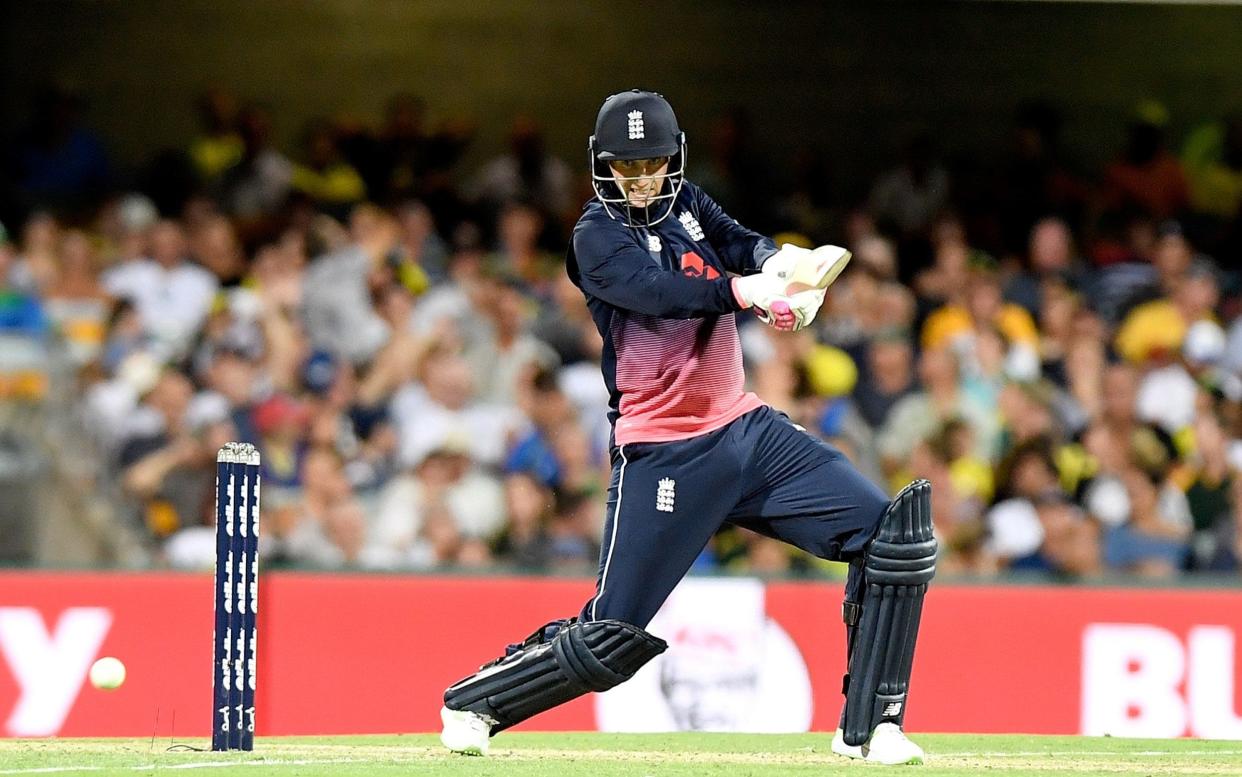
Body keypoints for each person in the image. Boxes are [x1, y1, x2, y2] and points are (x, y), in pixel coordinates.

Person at [438, 90, 935, 765]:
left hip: (745, 431)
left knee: (891, 537)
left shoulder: (688, 204)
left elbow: (734, 239)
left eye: (652, 164)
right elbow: (659, 293)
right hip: (664, 450)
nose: (640, 179)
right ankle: (476, 699)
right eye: (625, 167)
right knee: (611, 637)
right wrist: (744, 293)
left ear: (673, 160)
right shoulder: (595, 235)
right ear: (602, 167)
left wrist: (777, 264)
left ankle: (872, 725)